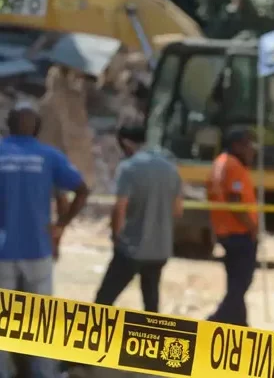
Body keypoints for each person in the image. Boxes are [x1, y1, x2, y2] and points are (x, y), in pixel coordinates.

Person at [0, 100, 89, 378]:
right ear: (37, 128)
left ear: (8, 126)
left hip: (2, 254)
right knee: (41, 319)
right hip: (38, 251)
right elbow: (82, 190)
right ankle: (44, 373)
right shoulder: (49, 157)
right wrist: (60, 225)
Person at [94, 124, 183, 311]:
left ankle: (91, 338)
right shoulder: (170, 168)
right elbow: (177, 211)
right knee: (151, 304)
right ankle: (151, 338)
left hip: (132, 248)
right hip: (160, 249)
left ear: (126, 143)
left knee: (103, 301)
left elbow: (120, 208)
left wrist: (116, 236)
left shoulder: (128, 168)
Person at [206, 127, 258, 326]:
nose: (251, 150)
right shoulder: (233, 166)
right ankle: (218, 319)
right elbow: (234, 200)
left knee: (236, 283)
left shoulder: (219, 163)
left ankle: (238, 323)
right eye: (247, 145)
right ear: (236, 145)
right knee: (240, 284)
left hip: (225, 231)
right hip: (239, 232)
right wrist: (251, 226)